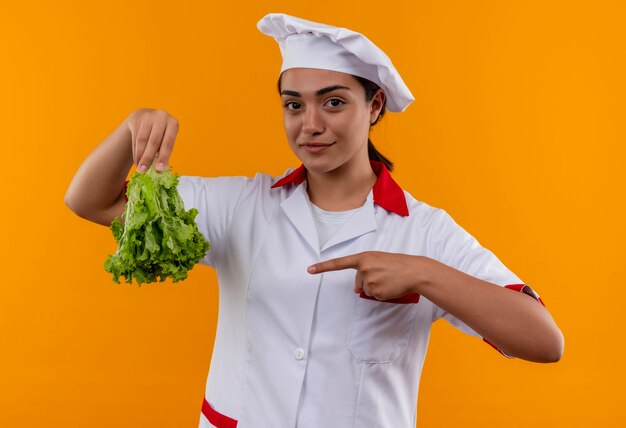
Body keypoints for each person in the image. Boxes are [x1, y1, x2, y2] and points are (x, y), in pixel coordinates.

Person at [65, 12, 564, 428]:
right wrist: (131, 129)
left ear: (373, 106)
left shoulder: (424, 231)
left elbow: (544, 341)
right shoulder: (242, 205)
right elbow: (90, 200)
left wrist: (422, 274)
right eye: (293, 105)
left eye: (333, 102)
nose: (311, 125)